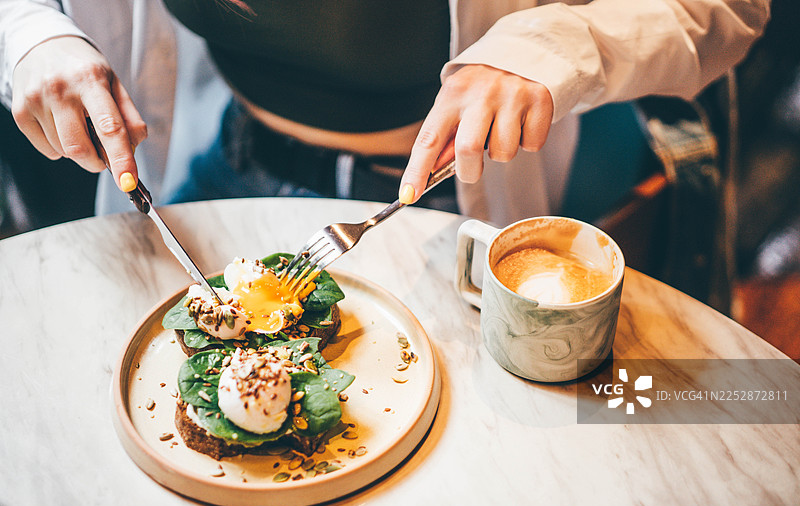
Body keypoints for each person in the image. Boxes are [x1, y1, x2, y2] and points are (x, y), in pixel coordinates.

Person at [0, 0, 770, 226]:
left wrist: (558, 40)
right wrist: (27, 30)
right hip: (213, 171)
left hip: (457, 202)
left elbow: (729, 8)